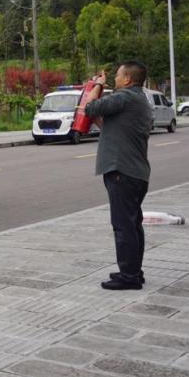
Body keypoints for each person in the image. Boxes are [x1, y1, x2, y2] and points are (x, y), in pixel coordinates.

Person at [82, 62, 153, 291]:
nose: (115, 78)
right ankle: (133, 271)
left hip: (123, 171)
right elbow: (109, 127)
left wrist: (97, 85)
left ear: (128, 79)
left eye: (118, 75)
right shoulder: (138, 99)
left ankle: (129, 276)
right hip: (135, 172)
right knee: (132, 225)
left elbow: (90, 107)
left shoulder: (125, 97)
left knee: (123, 226)